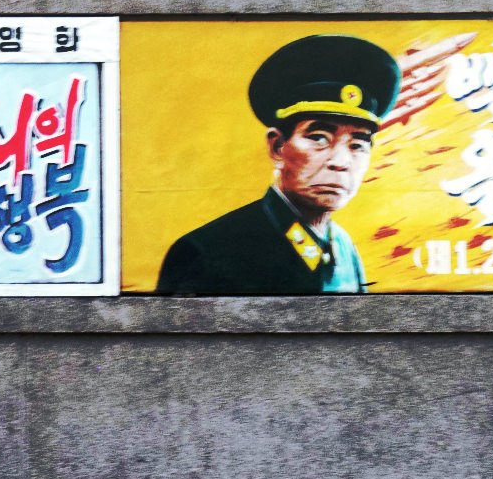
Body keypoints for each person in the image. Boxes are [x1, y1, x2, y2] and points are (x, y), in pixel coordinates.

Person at [156, 34, 401, 295]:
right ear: (277, 147)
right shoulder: (206, 252)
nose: (340, 162)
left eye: (357, 145)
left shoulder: (344, 249)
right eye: (319, 138)